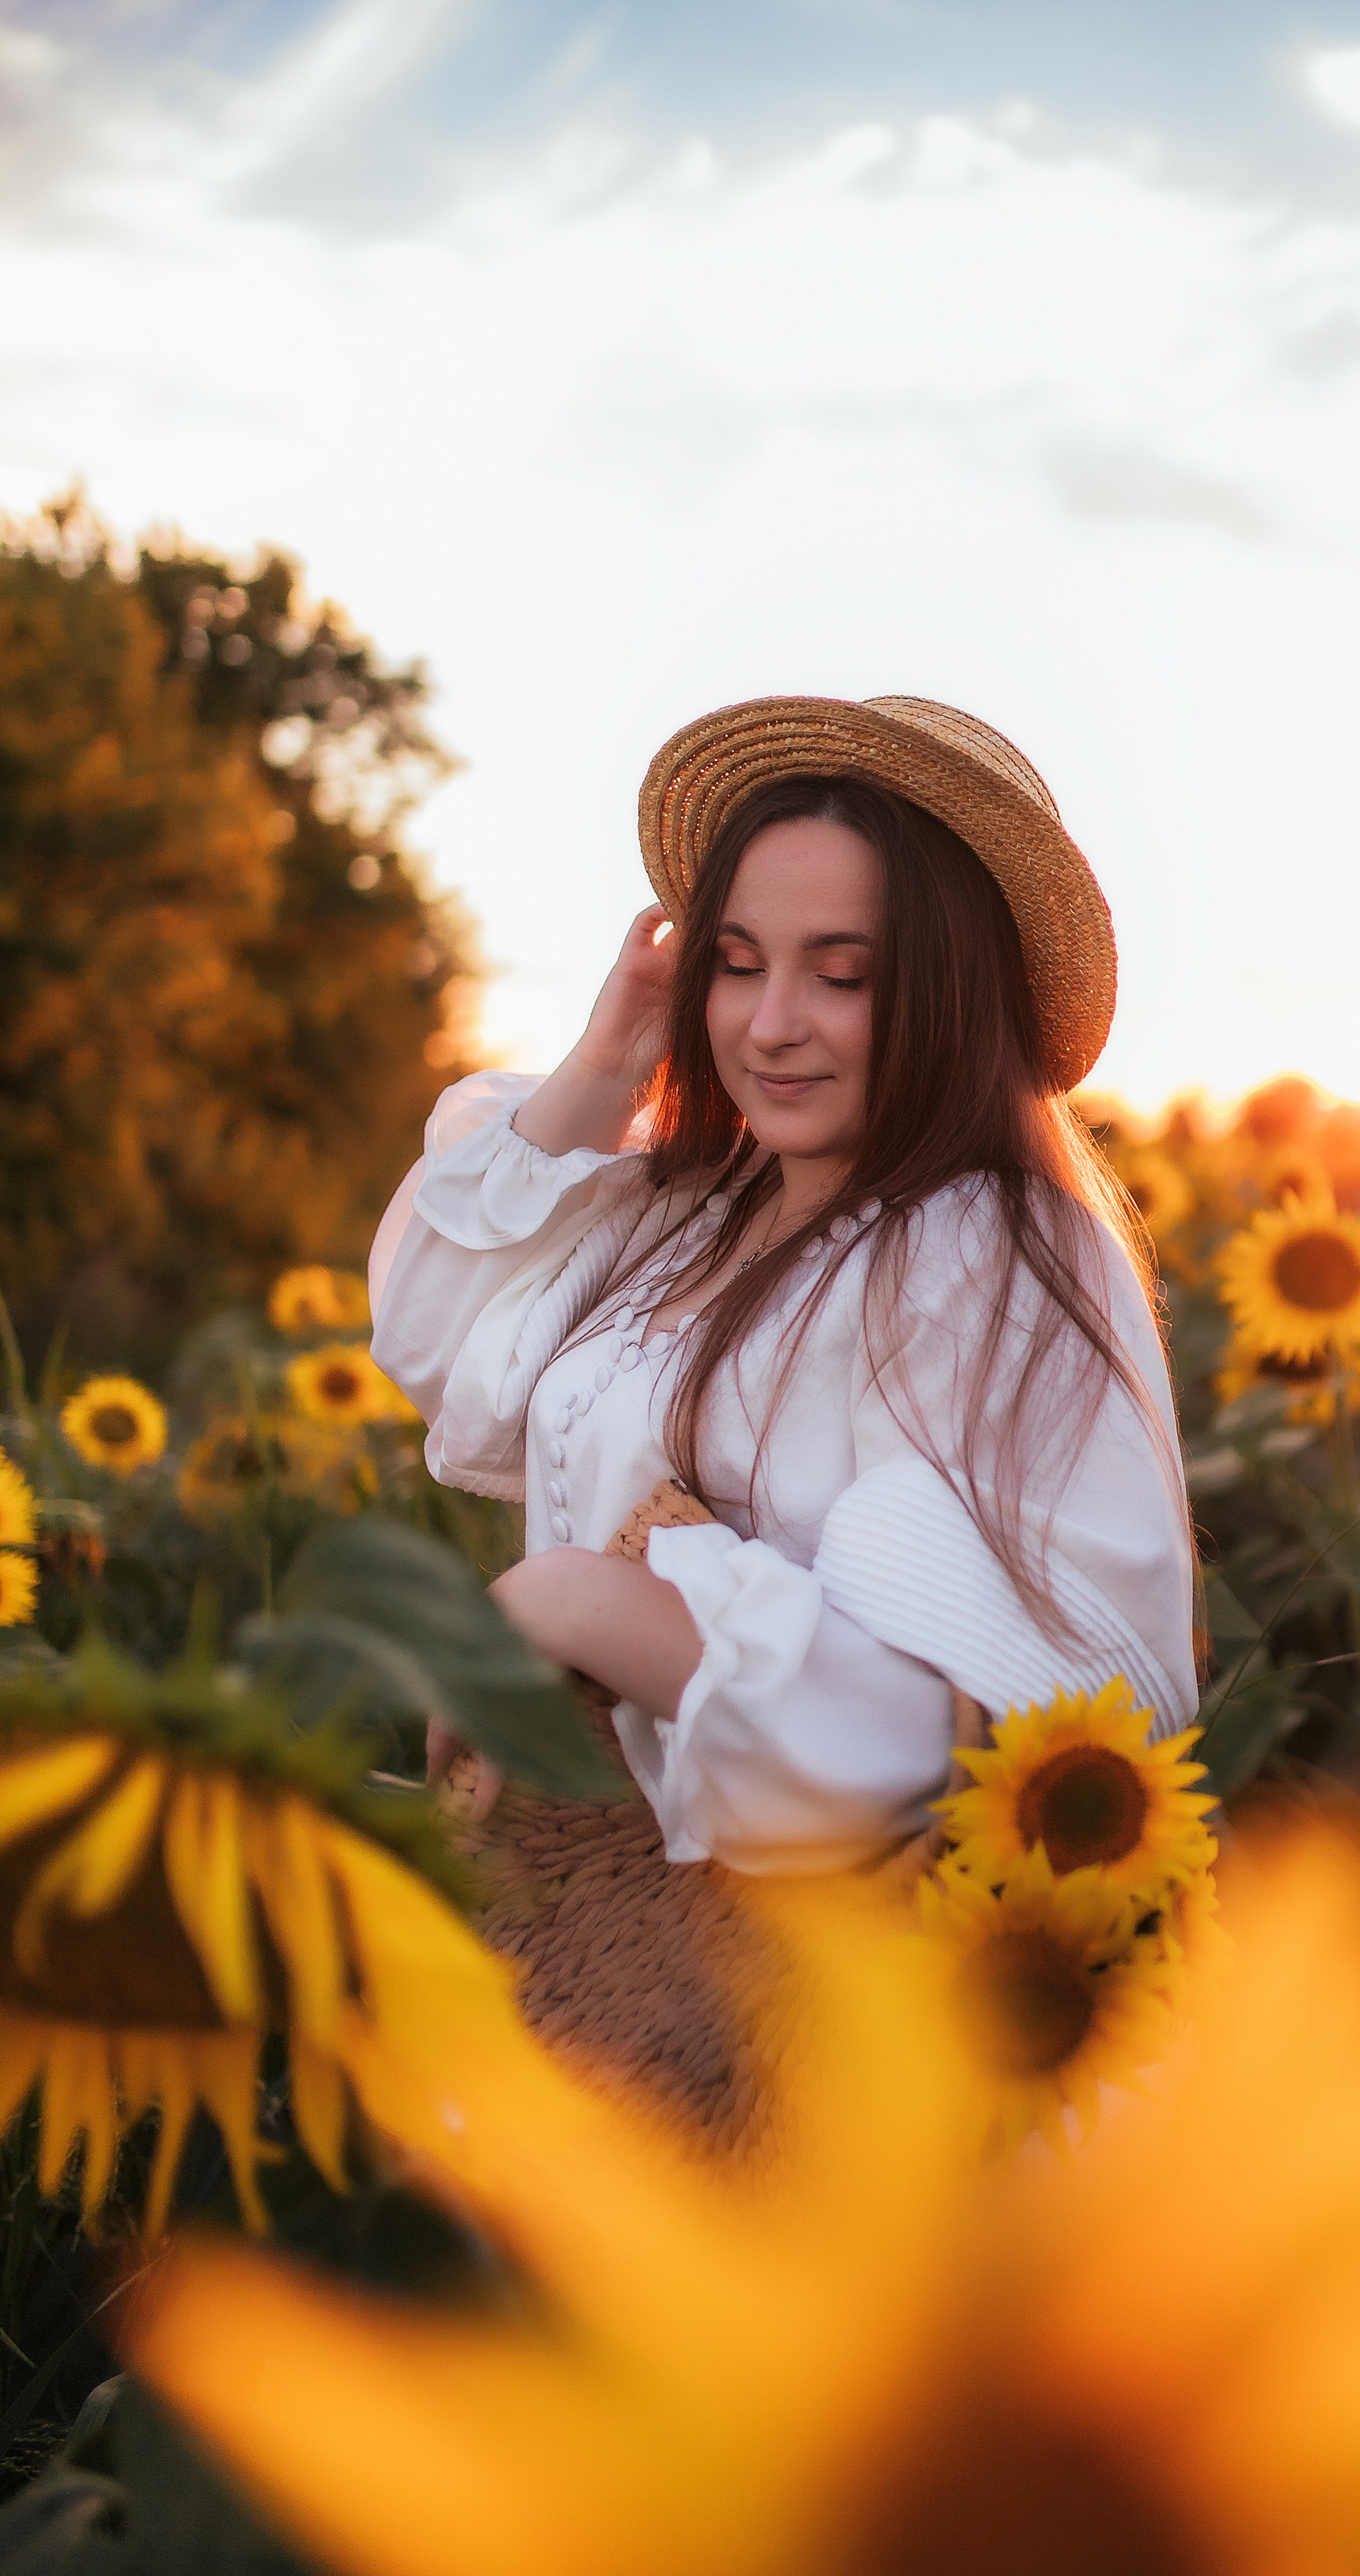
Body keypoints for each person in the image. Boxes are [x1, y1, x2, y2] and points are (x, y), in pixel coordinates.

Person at [369, 694, 1197, 1877]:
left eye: (842, 976)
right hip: (599, 1926)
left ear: (950, 994)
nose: (769, 1025)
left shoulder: (983, 1254)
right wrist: (612, 1056)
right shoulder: (698, 1206)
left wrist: (569, 1607)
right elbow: (443, 1345)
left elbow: (994, 1742)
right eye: (738, 964)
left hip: (811, 2000)